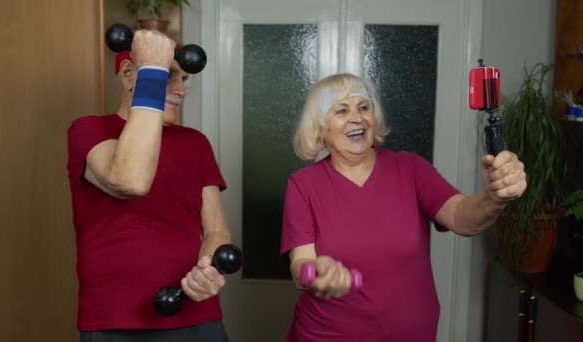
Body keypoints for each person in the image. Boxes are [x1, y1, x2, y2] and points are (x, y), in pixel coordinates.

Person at [280, 73, 527, 341]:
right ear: (320, 128)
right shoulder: (303, 184)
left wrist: (494, 197)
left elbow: (460, 216)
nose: (357, 117)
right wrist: (315, 274)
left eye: (364, 107)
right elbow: (301, 263)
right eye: (341, 110)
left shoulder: (410, 168)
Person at [67, 30, 231, 341]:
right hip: (114, 319)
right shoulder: (89, 129)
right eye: (170, 75)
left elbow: (216, 231)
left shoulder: (195, 143)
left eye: (185, 79)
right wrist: (152, 70)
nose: (180, 90)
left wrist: (208, 268)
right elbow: (130, 180)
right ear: (129, 75)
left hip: (195, 314)